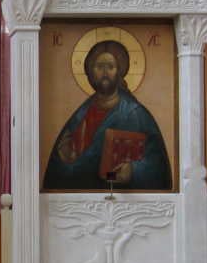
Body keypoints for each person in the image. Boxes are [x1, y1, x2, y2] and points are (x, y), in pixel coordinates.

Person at [44, 40, 172, 190]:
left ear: (119, 72)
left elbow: (158, 164)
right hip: (84, 195)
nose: (105, 72)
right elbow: (57, 172)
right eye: (99, 67)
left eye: (110, 67)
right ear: (90, 73)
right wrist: (65, 161)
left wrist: (133, 171)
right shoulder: (80, 116)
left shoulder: (135, 114)